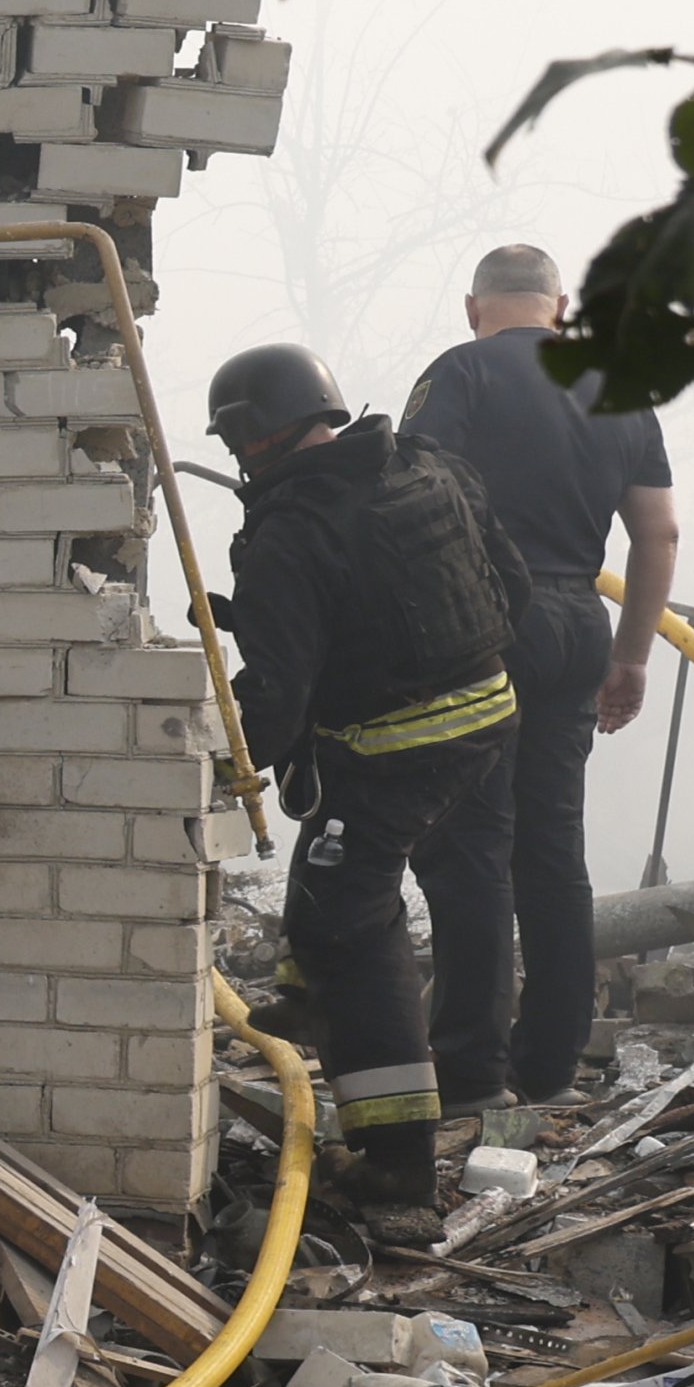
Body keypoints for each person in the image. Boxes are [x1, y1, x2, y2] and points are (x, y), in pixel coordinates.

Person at [209, 342, 530, 1230]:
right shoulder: (430, 466)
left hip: (398, 752)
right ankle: (315, 993)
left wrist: (215, 769)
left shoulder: (286, 534)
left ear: (246, 441)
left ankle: (397, 1169)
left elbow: (273, 698)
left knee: (350, 921)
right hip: (490, 717)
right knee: (345, 882)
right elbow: (512, 587)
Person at [398, 244, 682, 1116]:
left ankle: (471, 1072)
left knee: (472, 842)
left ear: (474, 305)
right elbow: (658, 532)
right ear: (557, 305)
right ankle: (551, 1063)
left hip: (481, 624)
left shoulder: (459, 373)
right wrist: (631, 655)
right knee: (552, 850)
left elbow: (415, 503)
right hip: (575, 625)